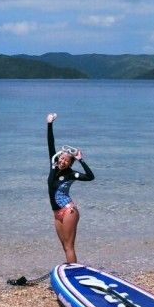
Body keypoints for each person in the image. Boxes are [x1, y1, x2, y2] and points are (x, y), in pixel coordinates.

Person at [47, 113, 94, 263]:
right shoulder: (53, 167)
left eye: (67, 160)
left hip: (68, 211)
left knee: (69, 246)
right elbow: (50, 143)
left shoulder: (71, 174)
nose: (63, 160)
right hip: (57, 213)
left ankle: (74, 273)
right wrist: (49, 124)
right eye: (62, 157)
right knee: (64, 246)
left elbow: (90, 176)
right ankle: (70, 268)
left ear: (70, 163)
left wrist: (81, 160)